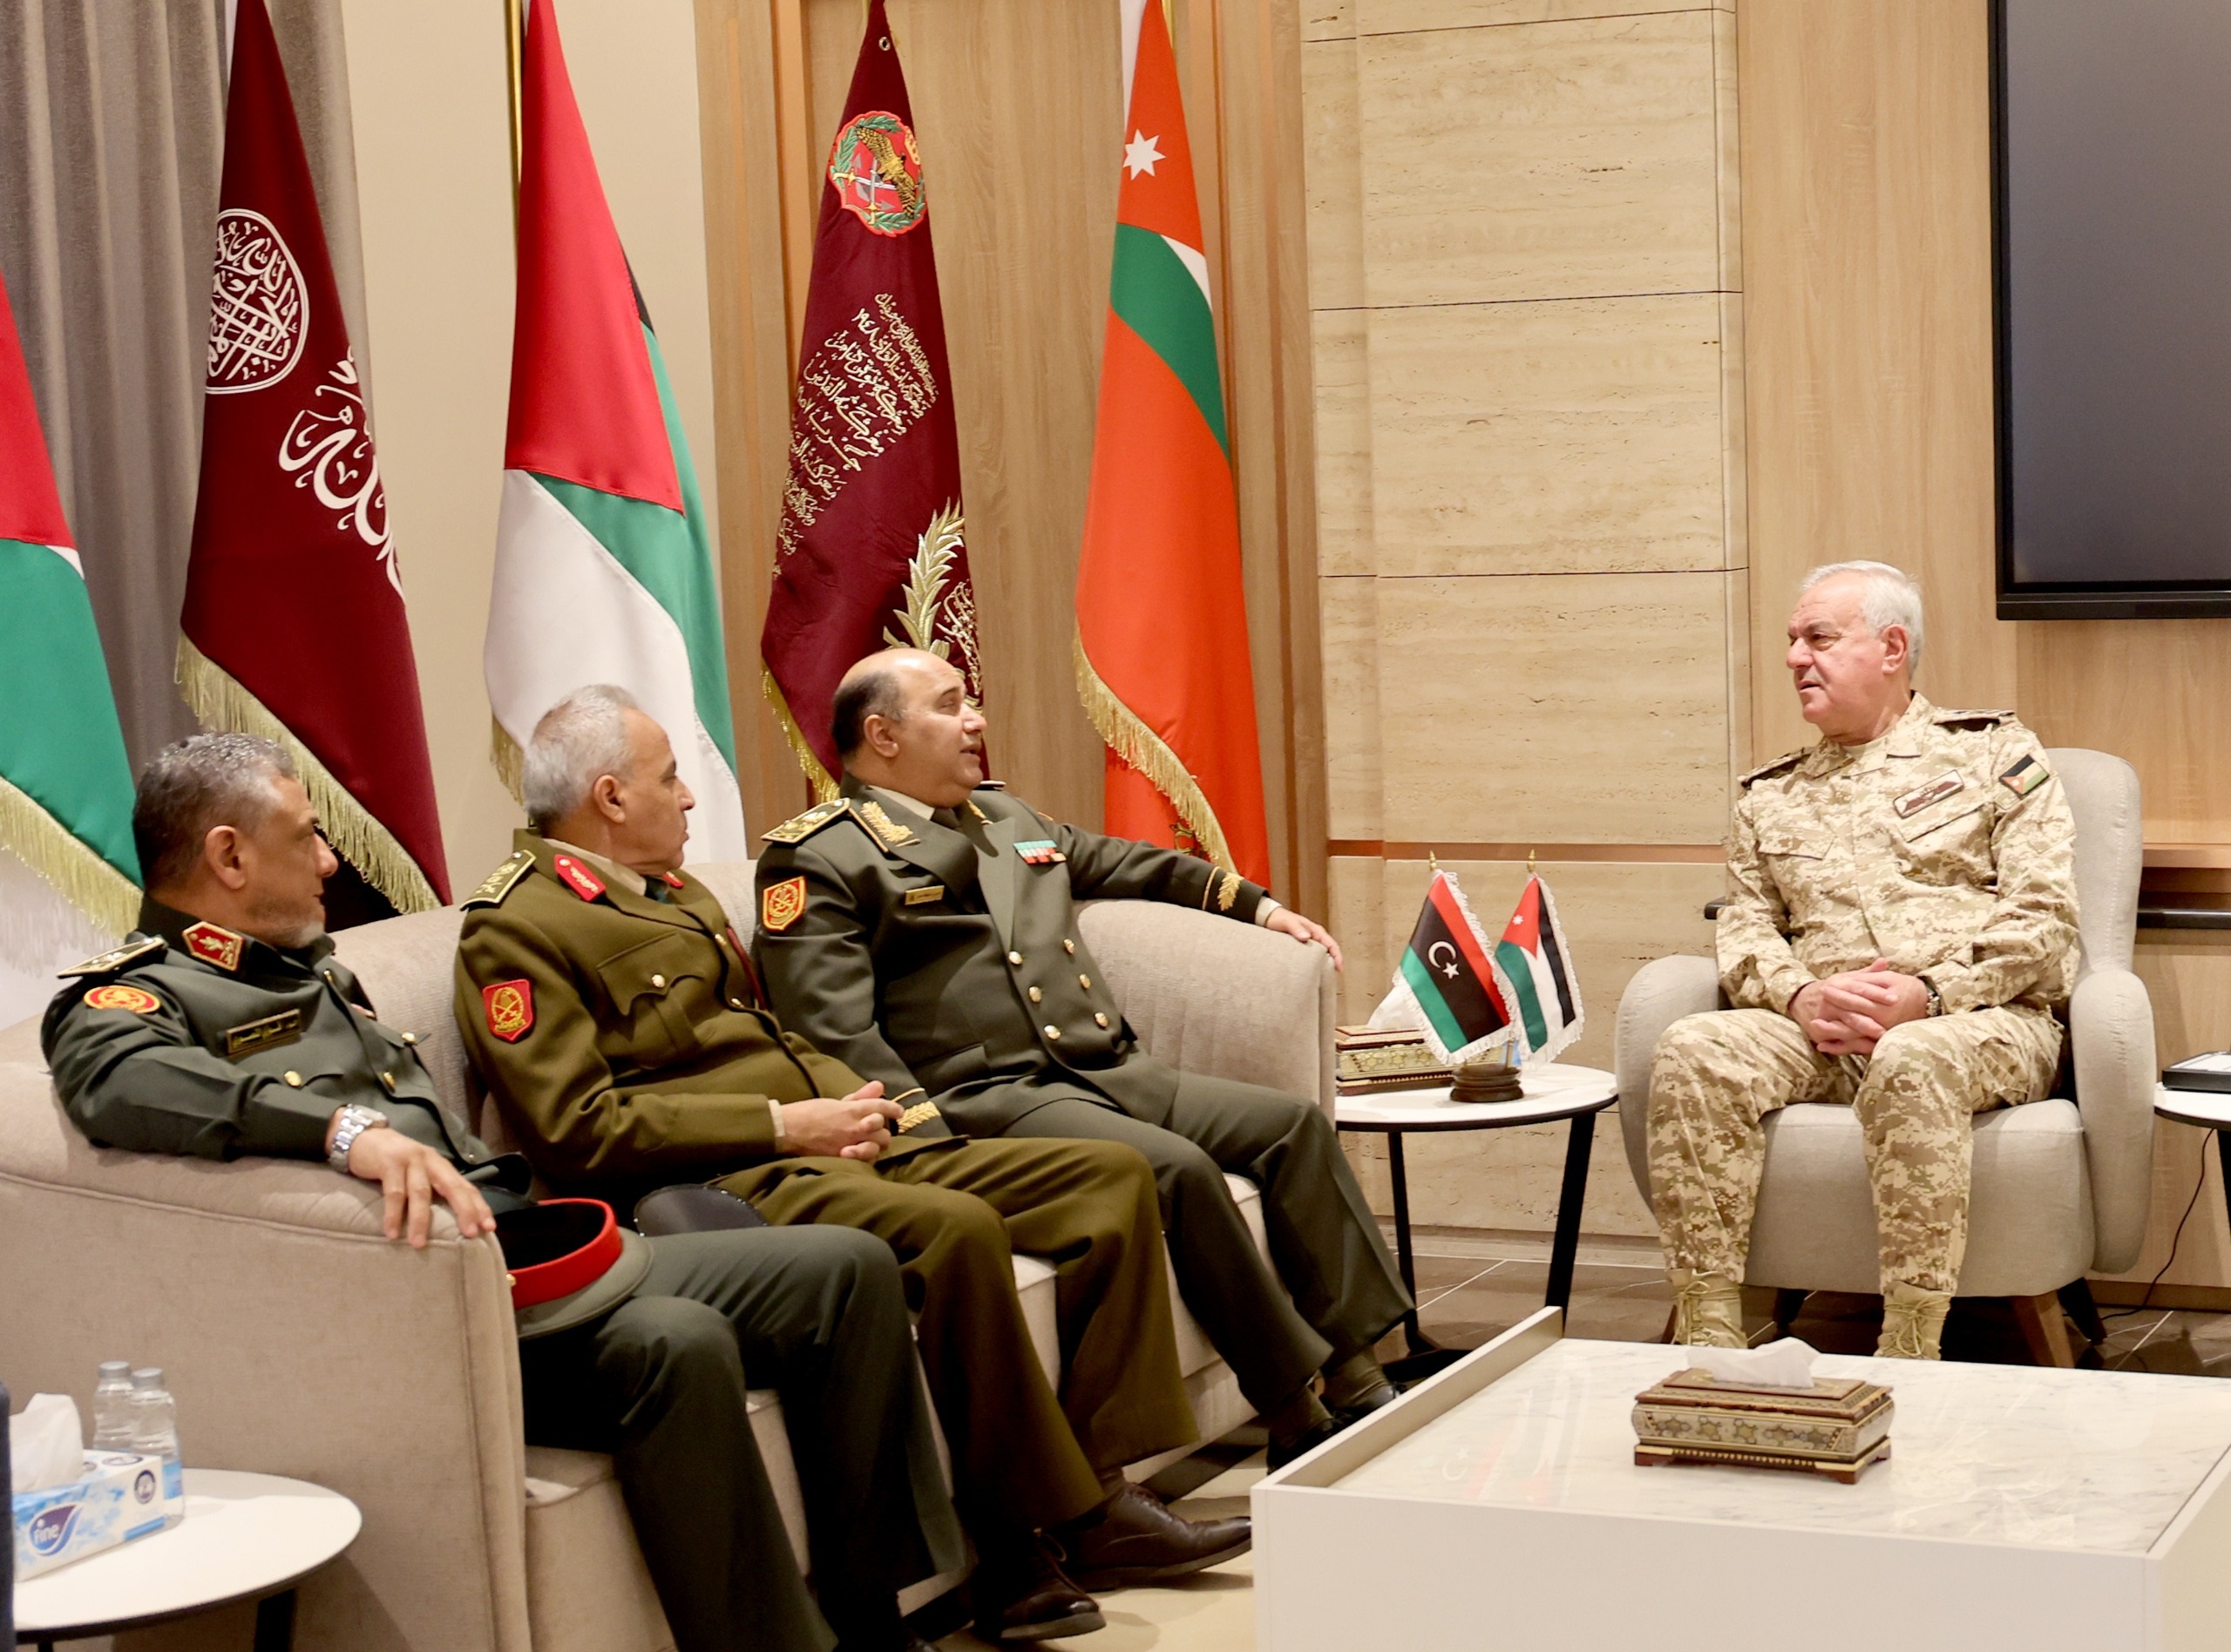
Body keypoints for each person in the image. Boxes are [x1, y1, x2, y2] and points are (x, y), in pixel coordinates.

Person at [43, 734, 960, 1652]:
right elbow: (123, 1083)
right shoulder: (134, 1000)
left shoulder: (308, 966)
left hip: (529, 1258)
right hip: (431, 1308)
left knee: (846, 1271)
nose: (327, 862)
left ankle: (874, 1621)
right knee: (674, 1341)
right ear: (228, 856)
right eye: (306, 836)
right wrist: (341, 1130)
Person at [452, 687, 1249, 1645]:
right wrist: (781, 1125)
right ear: (611, 799)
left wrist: (875, 1109)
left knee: (1107, 1177)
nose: (691, 798)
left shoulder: (675, 893)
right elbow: (574, 1128)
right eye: (670, 780)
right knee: (958, 1233)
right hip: (731, 1180)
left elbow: (770, 1036)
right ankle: (1017, 1552)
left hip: (832, 1137)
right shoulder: (516, 927)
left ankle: (1102, 1491)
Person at [753, 647, 1412, 1467]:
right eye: (950, 705)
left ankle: (1360, 1369)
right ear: (883, 735)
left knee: (1290, 1127)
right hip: (991, 1093)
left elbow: (1127, 863)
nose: (975, 720)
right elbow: (830, 1028)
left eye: (969, 702)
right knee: (1177, 1170)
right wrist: (919, 1139)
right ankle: (1291, 1409)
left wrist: (1257, 907)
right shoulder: (820, 856)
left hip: (1105, 1068)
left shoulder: (1002, 817)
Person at [1649, 561, 2079, 1359]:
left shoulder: (1993, 754)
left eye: (1818, 638)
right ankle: (1708, 1335)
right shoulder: (1770, 794)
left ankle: (1911, 1347)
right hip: (1818, 1032)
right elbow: (1745, 930)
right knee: (1693, 1047)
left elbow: (2043, 915)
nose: (1794, 658)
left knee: (1913, 1056)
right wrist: (1799, 996)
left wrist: (1930, 994)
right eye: (1792, 640)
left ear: (1891, 647)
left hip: (1980, 1025)